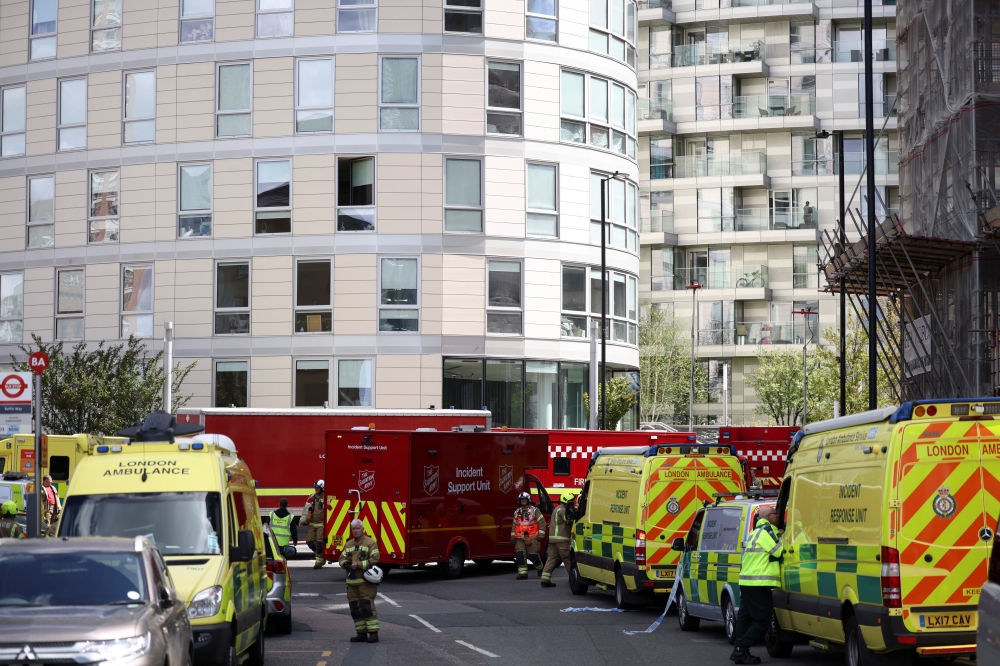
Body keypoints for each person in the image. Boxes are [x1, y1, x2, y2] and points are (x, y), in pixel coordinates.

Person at [730, 507, 783, 664]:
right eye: (775, 513)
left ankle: (740, 652)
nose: (778, 515)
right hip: (759, 582)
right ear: (767, 516)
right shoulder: (768, 530)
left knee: (745, 619)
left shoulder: (755, 532)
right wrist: (783, 538)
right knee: (763, 620)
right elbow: (778, 551)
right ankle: (741, 648)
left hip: (747, 581)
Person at [339, 519, 381, 643]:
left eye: (358, 528)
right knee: (355, 609)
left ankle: (373, 633)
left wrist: (360, 565)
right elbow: (341, 558)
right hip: (352, 583)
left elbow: (375, 558)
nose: (355, 531)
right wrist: (347, 564)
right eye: (353, 529)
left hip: (365, 582)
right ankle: (361, 633)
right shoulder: (349, 544)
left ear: (362, 529)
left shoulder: (370, 542)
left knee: (367, 607)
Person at [540, 494, 574, 588]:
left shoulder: (557, 508)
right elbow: (568, 520)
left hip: (553, 539)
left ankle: (545, 580)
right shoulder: (563, 509)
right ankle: (574, 579)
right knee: (567, 559)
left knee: (551, 559)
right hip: (562, 539)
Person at [511, 491, 546, 580]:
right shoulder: (517, 512)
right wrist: (512, 535)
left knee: (533, 556)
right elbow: (515, 524)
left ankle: (541, 569)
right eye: (521, 499)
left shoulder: (534, 510)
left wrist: (541, 534)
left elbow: (542, 522)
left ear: (528, 500)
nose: (523, 501)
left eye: (525, 499)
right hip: (520, 538)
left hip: (532, 537)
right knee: (520, 556)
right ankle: (523, 574)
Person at [303, 480, 326, 568]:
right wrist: (302, 520)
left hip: (321, 524)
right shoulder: (312, 497)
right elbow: (306, 509)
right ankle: (321, 556)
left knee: (319, 544)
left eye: (318, 487)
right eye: (315, 487)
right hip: (312, 524)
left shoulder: (327, 497)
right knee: (309, 542)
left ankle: (319, 562)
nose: (316, 489)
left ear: (322, 487)